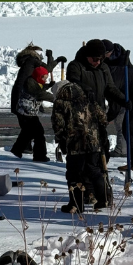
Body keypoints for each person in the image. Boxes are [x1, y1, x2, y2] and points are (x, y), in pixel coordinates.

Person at [50, 81, 111, 213]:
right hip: (94, 142)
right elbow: (103, 118)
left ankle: (76, 204)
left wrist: (61, 139)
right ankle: (104, 199)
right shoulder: (88, 100)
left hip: (75, 144)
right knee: (94, 170)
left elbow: (58, 125)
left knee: (74, 174)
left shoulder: (60, 104)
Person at [66, 39, 129, 162]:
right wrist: (84, 89)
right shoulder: (76, 66)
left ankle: (100, 173)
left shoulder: (103, 68)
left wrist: (123, 100)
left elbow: (110, 87)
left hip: (98, 114)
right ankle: (81, 178)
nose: (98, 62)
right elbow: (73, 82)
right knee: (84, 151)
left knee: (102, 148)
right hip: (79, 116)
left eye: (101, 59)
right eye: (95, 59)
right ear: (87, 56)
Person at [9, 44, 65, 161]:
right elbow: (41, 92)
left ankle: (17, 149)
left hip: (24, 109)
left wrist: (47, 85)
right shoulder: (32, 63)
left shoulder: (30, 72)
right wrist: (58, 99)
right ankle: (39, 156)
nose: (41, 57)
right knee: (38, 133)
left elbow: (39, 83)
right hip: (27, 112)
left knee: (28, 132)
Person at [101, 40, 133, 175]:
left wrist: (107, 118)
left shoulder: (116, 70)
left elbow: (115, 100)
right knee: (127, 128)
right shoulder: (113, 64)